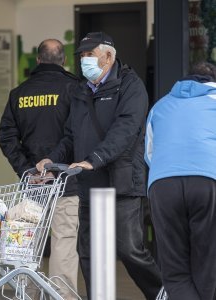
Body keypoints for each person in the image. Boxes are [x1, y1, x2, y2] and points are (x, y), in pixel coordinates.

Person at [37, 31, 162, 300]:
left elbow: (125, 130)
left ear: (108, 56)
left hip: (122, 182)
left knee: (129, 248)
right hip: (89, 183)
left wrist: (94, 159)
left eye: (89, 55)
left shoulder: (131, 86)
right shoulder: (81, 89)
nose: (84, 60)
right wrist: (51, 159)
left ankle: (161, 292)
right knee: (91, 253)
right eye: (81, 55)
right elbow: (71, 135)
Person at [0, 39, 80, 300]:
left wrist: (27, 171)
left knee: (26, 244)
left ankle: (26, 295)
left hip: (32, 186)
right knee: (64, 243)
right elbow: (77, 134)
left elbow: (7, 136)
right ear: (63, 60)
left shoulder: (19, 93)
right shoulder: (75, 89)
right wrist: (55, 167)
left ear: (38, 60)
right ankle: (61, 296)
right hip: (66, 182)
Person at [145, 61, 216, 300]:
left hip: (163, 185)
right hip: (207, 181)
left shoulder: (160, 105)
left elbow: (149, 155)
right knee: (208, 259)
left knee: (174, 266)